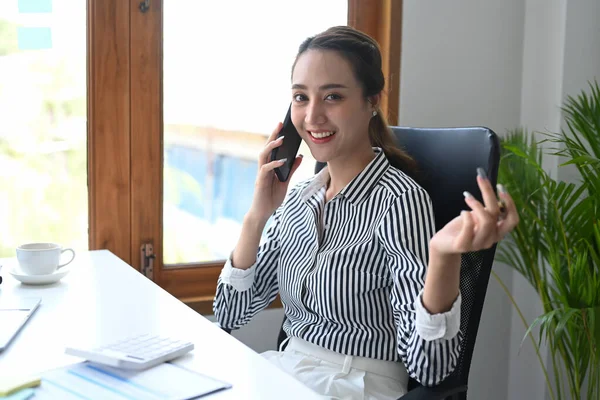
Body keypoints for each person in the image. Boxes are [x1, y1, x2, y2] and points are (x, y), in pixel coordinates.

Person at [213, 26, 519, 399]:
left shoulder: (399, 200)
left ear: (371, 100)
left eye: (333, 97)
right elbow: (229, 314)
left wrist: (443, 258)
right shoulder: (299, 200)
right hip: (285, 371)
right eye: (300, 97)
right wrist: (257, 216)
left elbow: (432, 370)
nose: (312, 116)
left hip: (357, 385)